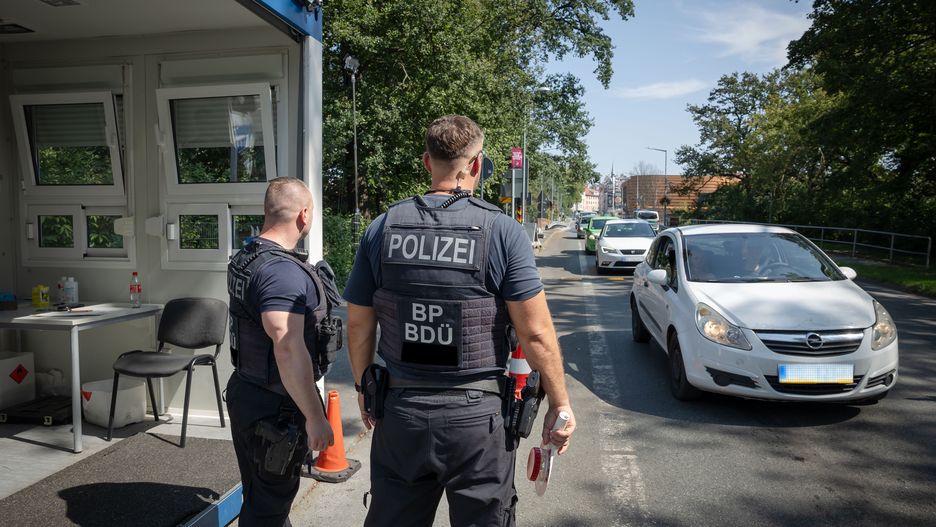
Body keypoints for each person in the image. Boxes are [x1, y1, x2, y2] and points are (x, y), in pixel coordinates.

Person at [344, 115, 576, 527]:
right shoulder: (502, 231)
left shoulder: (382, 228)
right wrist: (560, 404)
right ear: (477, 164)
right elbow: (536, 333)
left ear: (426, 162)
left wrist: (364, 387)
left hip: (401, 414)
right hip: (477, 422)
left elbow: (359, 325)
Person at [226, 177, 334, 526]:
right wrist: (316, 417)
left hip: (249, 393)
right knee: (268, 508)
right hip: (275, 410)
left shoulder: (248, 255)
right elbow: (287, 346)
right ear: (304, 215)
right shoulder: (280, 272)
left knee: (261, 495)